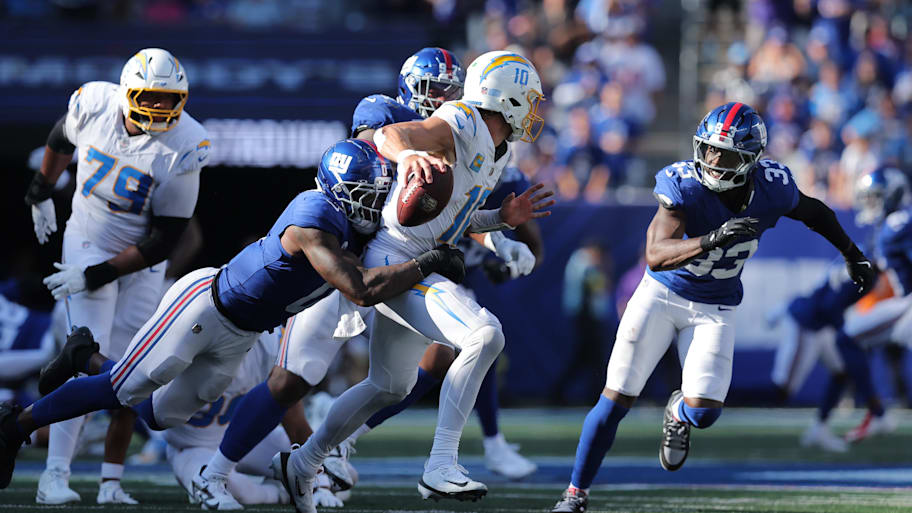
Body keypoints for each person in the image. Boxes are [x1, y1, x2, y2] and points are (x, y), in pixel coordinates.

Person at [0, 138, 468, 508]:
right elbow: (360, 286)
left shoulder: (351, 223)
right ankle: (15, 426)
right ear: (343, 193)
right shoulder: (312, 217)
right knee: (123, 390)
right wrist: (427, 262)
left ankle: (86, 355)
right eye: (368, 195)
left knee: (158, 416)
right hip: (204, 307)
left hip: (241, 334)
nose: (376, 203)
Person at [190, 48, 540, 508]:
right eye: (435, 89)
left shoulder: (492, 145)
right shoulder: (453, 121)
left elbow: (457, 211)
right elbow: (388, 134)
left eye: (450, 89)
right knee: (483, 334)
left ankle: (305, 461)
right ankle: (440, 465)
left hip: (398, 260)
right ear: (505, 97)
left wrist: (500, 222)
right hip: (362, 256)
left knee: (392, 385)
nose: (443, 97)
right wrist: (410, 153)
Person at [550, 102, 876, 513]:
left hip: (715, 307)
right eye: (708, 149)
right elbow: (655, 253)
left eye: (726, 154)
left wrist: (852, 253)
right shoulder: (683, 184)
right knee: (616, 399)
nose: (713, 160)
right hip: (661, 295)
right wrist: (711, 239)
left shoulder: (773, 186)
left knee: (703, 413)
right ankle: (575, 495)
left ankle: (678, 411)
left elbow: (815, 212)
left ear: (751, 159)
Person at [22, 48, 209, 505]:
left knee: (131, 368)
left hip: (142, 260)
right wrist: (41, 190)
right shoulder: (95, 105)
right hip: (87, 237)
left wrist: (99, 274)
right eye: (151, 97)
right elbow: (61, 139)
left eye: (170, 99)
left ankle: (110, 483)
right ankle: (55, 476)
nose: (161, 108)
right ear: (128, 93)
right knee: (83, 353)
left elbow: (165, 239)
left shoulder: (188, 142)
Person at [767, 261, 878, 452]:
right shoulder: (868, 268)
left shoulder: (862, 258)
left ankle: (819, 428)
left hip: (823, 325)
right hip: (808, 322)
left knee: (843, 371)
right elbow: (831, 305)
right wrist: (847, 333)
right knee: (783, 390)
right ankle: (724, 398)